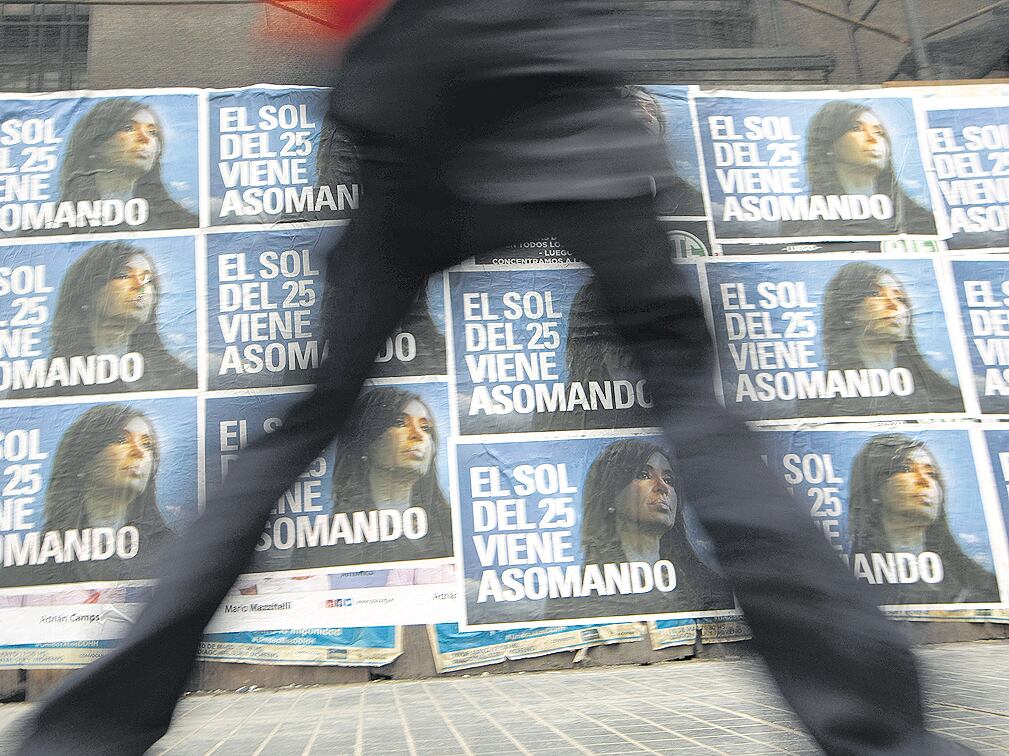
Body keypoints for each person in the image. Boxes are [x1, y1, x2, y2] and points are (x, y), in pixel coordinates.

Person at [17, 3, 973, 754]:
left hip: (422, 106)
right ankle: (879, 733)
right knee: (692, 408)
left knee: (308, 419)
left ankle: (84, 735)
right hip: (558, 100)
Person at [545, 439, 732, 620]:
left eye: (669, 479)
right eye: (644, 475)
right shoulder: (573, 594)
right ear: (610, 494)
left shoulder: (710, 587)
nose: (662, 487)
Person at [6, 404, 175, 588]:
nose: (139, 452)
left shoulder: (174, 554)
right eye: (121, 439)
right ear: (83, 460)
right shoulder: (29, 562)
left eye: (147, 444)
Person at [291, 386, 453, 568]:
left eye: (426, 428)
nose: (418, 435)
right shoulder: (318, 543)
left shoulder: (453, 529)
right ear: (366, 441)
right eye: (400, 423)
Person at [15, 241, 197, 399]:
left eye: (147, 279)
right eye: (124, 275)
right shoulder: (38, 384)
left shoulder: (178, 377)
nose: (140, 287)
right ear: (87, 292)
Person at [848, 434, 999, 606]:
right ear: (875, 487)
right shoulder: (850, 578)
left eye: (931, 473)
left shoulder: (975, 586)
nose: (924, 481)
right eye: (906, 469)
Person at [807, 261, 963, 417]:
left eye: (899, 298)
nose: (894, 305)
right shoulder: (821, 402)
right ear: (847, 310)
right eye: (876, 294)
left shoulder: (945, 398)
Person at [783, 101, 936, 238]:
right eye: (856, 128)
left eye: (879, 132)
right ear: (829, 144)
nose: (873, 138)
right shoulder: (802, 220)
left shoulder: (918, 219)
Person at [50, 98, 198, 232]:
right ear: (95, 143)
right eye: (129, 128)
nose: (145, 138)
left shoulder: (180, 223)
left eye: (152, 132)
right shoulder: (56, 223)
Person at [623, 86, 705, 217]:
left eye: (650, 109)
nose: (645, 116)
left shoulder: (686, 195)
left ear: (662, 127)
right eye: (635, 108)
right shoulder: (597, 181)